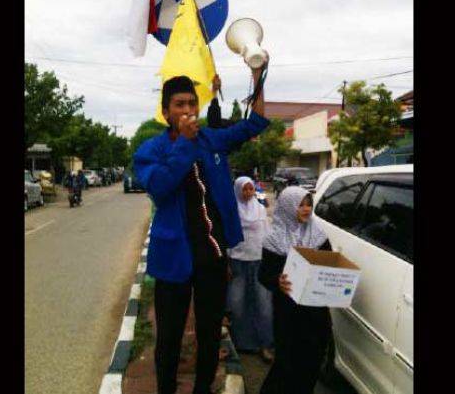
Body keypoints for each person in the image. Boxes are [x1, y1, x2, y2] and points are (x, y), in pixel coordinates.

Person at [133, 60, 269, 394]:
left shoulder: (212, 139)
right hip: (173, 259)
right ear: (166, 112)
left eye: (193, 103)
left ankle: (203, 388)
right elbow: (161, 187)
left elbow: (256, 123)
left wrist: (257, 78)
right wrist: (184, 144)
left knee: (210, 332)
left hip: (212, 255)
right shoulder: (151, 150)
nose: (189, 110)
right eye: (180, 105)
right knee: (169, 337)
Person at [258, 186, 332, 394]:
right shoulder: (274, 240)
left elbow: (330, 266)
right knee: (287, 365)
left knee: (312, 361)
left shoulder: (319, 236)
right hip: (288, 313)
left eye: (309, 204)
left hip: (316, 312)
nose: (306, 209)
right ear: (288, 207)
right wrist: (276, 281)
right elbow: (263, 275)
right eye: (301, 205)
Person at [226, 177, 273, 361]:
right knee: (238, 304)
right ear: (237, 190)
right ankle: (244, 344)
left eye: (250, 189)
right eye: (244, 190)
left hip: (259, 261)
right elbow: (226, 237)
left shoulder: (260, 209)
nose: (248, 193)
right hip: (237, 262)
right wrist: (226, 263)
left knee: (263, 305)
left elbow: (267, 234)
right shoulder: (231, 211)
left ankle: (266, 344)